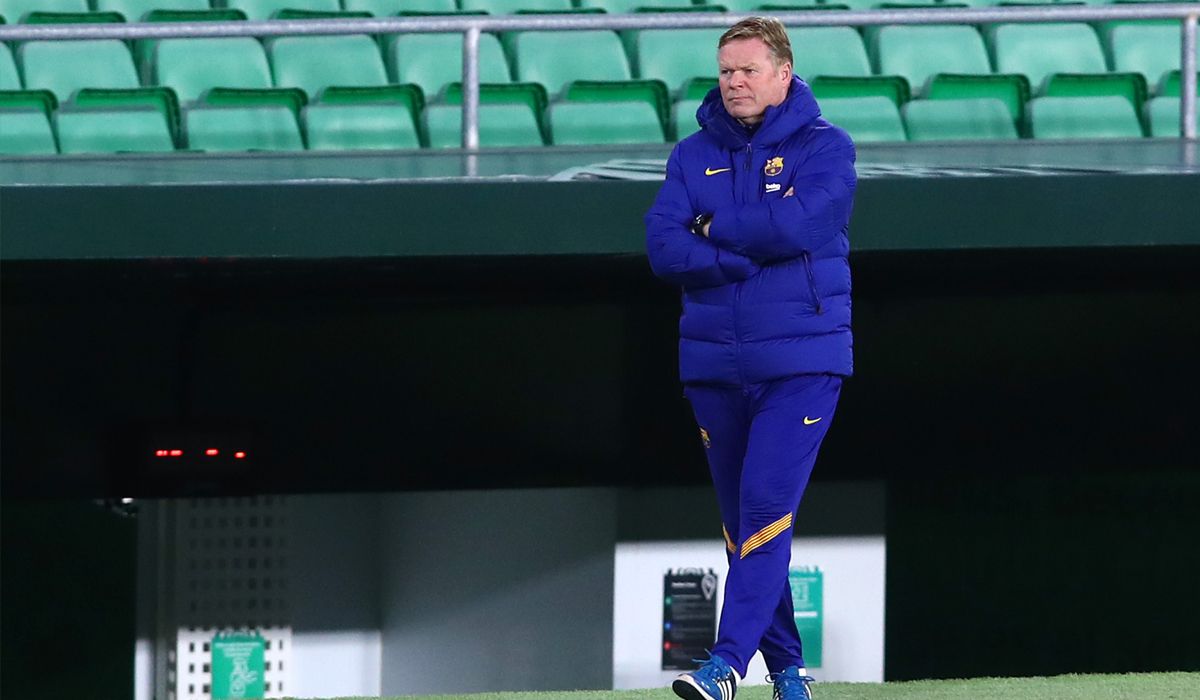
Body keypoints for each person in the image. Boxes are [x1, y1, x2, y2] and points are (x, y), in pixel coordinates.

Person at [644, 16, 857, 700]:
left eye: (748, 70)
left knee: (765, 510)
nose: (734, 82)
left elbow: (800, 225)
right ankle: (789, 671)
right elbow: (664, 247)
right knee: (745, 527)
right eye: (726, 71)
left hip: (800, 363)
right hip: (714, 366)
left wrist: (713, 226)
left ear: (782, 74)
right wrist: (744, 255)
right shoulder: (691, 154)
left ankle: (726, 665)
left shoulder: (826, 146)